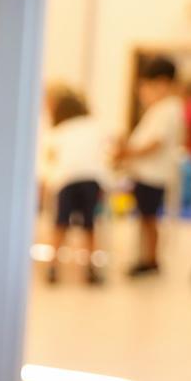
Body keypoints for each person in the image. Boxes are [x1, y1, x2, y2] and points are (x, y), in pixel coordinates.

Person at [115, 55, 185, 277]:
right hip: (146, 173)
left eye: (148, 86)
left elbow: (155, 143)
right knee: (146, 219)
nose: (145, 93)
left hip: (153, 174)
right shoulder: (163, 109)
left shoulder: (168, 109)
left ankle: (150, 259)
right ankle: (147, 257)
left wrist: (127, 152)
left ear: (163, 83)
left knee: (149, 219)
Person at [40, 89, 110, 285]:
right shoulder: (94, 127)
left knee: (60, 224)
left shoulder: (59, 131)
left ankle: (53, 267)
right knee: (89, 226)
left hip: (66, 180)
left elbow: (50, 160)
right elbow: (107, 152)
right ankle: (92, 269)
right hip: (92, 180)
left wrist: (48, 185)